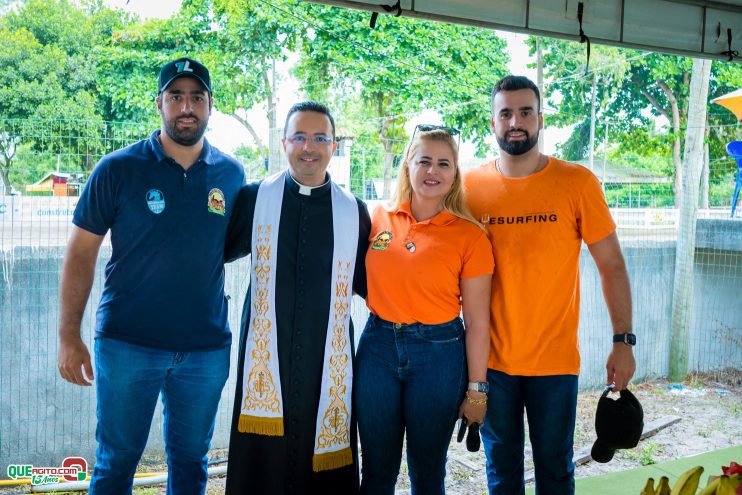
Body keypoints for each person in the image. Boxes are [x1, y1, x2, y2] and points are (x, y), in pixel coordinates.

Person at [56, 57, 245, 494]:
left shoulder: (231, 174)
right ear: (159, 102)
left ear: (210, 106)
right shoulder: (118, 168)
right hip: (127, 345)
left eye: (196, 97)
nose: (186, 106)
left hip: (204, 350)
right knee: (115, 462)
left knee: (191, 464)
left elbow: (232, 246)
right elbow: (81, 253)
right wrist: (69, 334)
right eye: (175, 96)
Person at [463, 75, 636, 495]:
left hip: (555, 364)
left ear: (541, 120)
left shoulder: (577, 183)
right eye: (505, 113)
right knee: (501, 471)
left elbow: (611, 264)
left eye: (525, 112)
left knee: (555, 470)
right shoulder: (468, 188)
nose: (515, 121)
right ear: (492, 122)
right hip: (493, 364)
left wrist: (623, 341)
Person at [224, 101, 371, 495]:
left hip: (327, 362)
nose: (310, 147)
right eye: (300, 137)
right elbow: (211, 252)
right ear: (284, 141)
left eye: (320, 138)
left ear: (333, 146)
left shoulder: (354, 212)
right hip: (266, 354)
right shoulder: (256, 199)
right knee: (263, 465)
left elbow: (374, 285)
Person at [356, 126, 494, 495]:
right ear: (408, 166)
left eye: (443, 164)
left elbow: (479, 321)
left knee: (428, 470)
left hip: (439, 353)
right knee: (376, 470)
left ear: (454, 174)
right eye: (424, 161)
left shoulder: (470, 235)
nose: (433, 171)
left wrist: (477, 391)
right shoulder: (377, 218)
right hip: (378, 346)